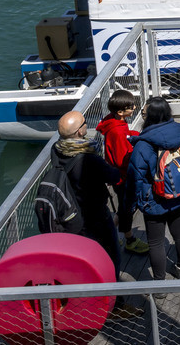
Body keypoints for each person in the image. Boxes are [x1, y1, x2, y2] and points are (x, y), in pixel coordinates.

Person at [127, 96, 180, 280]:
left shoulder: (142, 145)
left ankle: (159, 283)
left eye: (143, 112)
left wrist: (130, 205)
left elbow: (136, 177)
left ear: (149, 117)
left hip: (154, 200)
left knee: (156, 242)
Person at [51, 111, 124, 271]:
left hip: (69, 213)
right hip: (94, 214)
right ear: (80, 131)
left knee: (84, 257)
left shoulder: (56, 149)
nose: (86, 124)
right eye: (84, 123)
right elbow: (113, 176)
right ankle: (113, 290)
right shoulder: (89, 159)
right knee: (111, 255)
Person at [95, 91, 151, 256]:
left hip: (117, 176)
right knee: (128, 209)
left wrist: (133, 136)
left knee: (123, 207)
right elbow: (122, 160)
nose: (134, 108)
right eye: (131, 106)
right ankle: (130, 240)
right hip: (124, 178)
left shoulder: (112, 122)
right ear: (120, 112)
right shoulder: (118, 132)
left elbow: (121, 139)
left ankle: (111, 233)